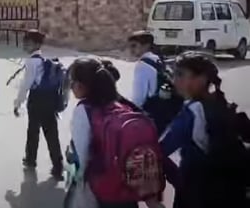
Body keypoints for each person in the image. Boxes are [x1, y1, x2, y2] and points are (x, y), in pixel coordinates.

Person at [68, 57, 164, 208]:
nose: (71, 85)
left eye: (72, 80)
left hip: (105, 187)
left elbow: (83, 156)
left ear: (82, 84)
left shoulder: (84, 110)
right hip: (128, 184)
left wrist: (79, 182)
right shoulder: (120, 105)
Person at [160, 51, 250, 208]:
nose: (175, 81)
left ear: (202, 79)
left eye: (181, 75)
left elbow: (161, 149)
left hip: (197, 193)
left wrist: (177, 179)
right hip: (231, 192)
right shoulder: (225, 104)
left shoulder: (194, 111)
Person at [13, 29, 64, 179]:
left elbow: (26, 85)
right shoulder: (44, 60)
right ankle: (58, 165)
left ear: (36, 44)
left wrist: (17, 103)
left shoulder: (31, 61)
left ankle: (30, 160)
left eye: (27, 42)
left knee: (33, 131)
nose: (25, 44)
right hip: (50, 99)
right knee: (51, 133)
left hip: (37, 100)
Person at [128, 30, 182, 132]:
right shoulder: (157, 59)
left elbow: (138, 99)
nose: (131, 50)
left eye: (134, 46)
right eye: (130, 46)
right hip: (165, 110)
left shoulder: (142, 65)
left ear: (146, 45)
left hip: (151, 114)